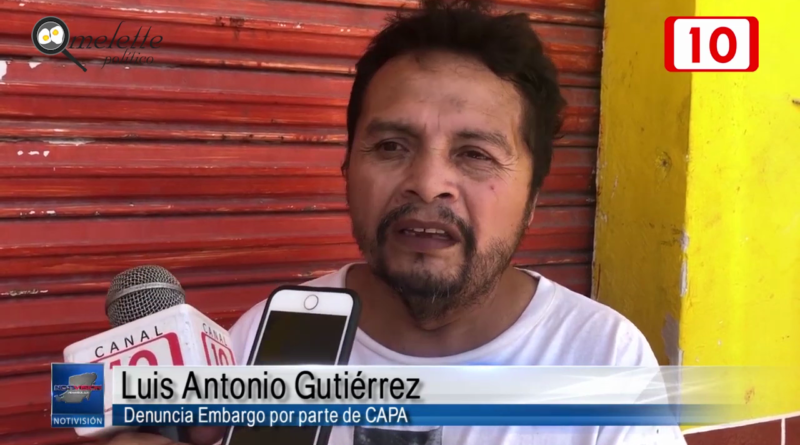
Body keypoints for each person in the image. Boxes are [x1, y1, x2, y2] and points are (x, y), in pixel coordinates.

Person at [106, 0, 687, 444]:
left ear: (534, 197)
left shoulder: (601, 358)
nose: (427, 183)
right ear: (347, 168)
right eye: (391, 146)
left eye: (475, 154)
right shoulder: (266, 340)